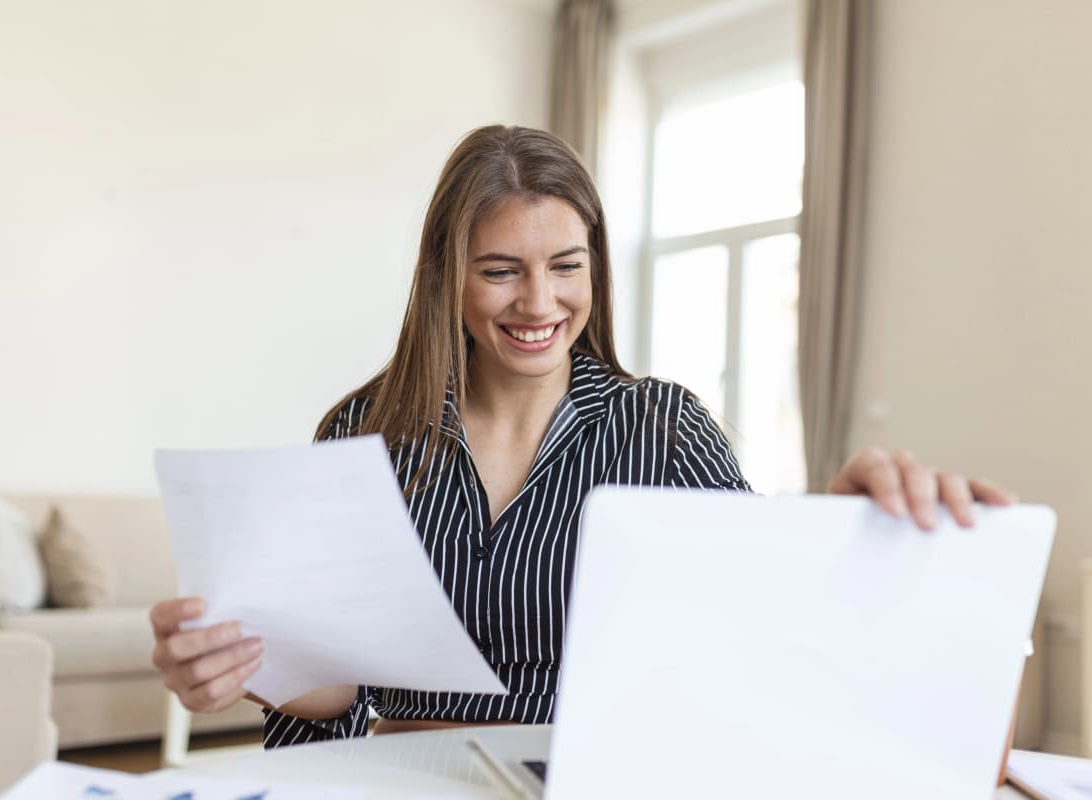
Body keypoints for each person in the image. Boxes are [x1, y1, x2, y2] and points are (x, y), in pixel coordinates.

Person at [149, 125, 1015, 749]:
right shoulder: (364, 432)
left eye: (566, 265)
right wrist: (245, 666)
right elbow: (336, 684)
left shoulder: (663, 430)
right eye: (500, 271)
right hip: (398, 777)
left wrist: (853, 538)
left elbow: (761, 633)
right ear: (447, 278)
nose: (539, 303)